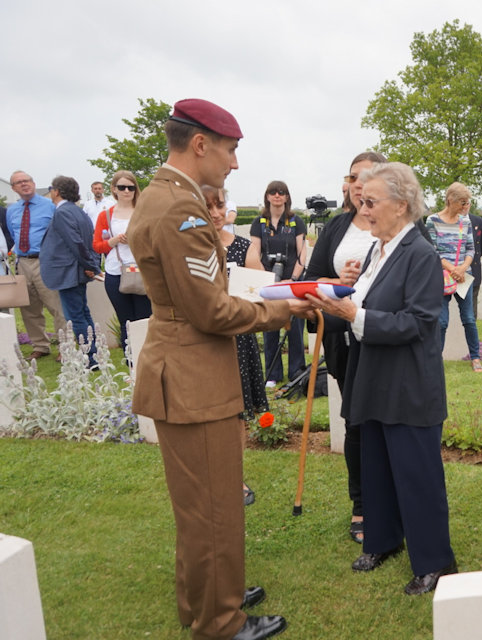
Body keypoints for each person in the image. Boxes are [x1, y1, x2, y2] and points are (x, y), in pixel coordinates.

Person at [128, 98, 310, 640]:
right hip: (193, 376)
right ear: (201, 144)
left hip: (182, 367)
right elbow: (211, 310)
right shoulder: (181, 211)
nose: (233, 164)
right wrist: (285, 309)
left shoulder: (166, 197)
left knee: (200, 503)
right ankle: (221, 622)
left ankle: (205, 597)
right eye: (230, 150)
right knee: (214, 506)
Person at [306, 161, 457, 596]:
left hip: (408, 384)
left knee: (416, 473)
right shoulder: (379, 249)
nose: (364, 209)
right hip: (372, 377)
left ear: (402, 204)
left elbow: (418, 322)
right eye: (361, 200)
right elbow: (369, 305)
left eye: (371, 202)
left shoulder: (421, 254)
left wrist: (356, 314)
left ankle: (435, 562)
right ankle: (384, 539)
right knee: (375, 465)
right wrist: (340, 296)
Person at [304, 150, 385, 545]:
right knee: (355, 423)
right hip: (345, 343)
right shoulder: (336, 228)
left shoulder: (403, 225)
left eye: (366, 177)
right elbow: (309, 278)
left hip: (387, 343)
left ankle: (392, 500)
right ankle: (362, 505)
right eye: (353, 177)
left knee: (385, 425)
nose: (357, 184)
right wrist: (336, 281)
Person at [204, 185, 267, 507]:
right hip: (202, 341)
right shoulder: (189, 248)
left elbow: (261, 292)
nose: (215, 212)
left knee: (238, 411)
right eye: (208, 205)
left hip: (237, 339)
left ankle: (235, 478)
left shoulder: (244, 247)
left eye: (220, 205)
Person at [248, 180, 306, 387]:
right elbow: (254, 251)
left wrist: (295, 277)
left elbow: (301, 253)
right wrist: (265, 278)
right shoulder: (259, 223)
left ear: (287, 197)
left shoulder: (295, 221)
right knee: (270, 326)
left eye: (281, 192)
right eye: (273, 192)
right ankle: (272, 374)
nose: (277, 196)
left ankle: (296, 371)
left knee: (296, 328)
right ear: (267, 196)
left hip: (292, 281)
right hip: (269, 281)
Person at [6, 171, 68, 360]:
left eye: (27, 180)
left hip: (46, 261)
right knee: (29, 308)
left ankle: (65, 347)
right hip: (23, 262)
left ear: (33, 183)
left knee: (56, 305)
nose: (24, 184)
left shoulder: (50, 206)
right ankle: (40, 345)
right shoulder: (12, 211)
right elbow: (12, 234)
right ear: (13, 188)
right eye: (19, 182)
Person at [40, 176, 101, 366]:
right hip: (77, 271)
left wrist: (91, 265)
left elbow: (76, 243)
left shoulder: (63, 212)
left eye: (51, 188)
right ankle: (94, 354)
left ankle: (89, 358)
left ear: (56, 191)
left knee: (75, 316)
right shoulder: (78, 211)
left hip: (69, 272)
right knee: (82, 312)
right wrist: (90, 265)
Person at [92, 171, 152, 354]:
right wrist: (115, 240)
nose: (127, 191)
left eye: (131, 187)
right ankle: (131, 362)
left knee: (144, 319)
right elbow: (97, 246)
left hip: (141, 269)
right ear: (114, 189)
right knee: (125, 320)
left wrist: (136, 238)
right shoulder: (106, 216)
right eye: (122, 187)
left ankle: (147, 360)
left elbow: (156, 239)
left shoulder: (144, 211)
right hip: (116, 271)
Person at [426, 182, 482, 371]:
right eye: (462, 202)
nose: (465, 207)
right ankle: (436, 361)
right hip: (441, 277)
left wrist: (463, 268)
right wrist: (452, 269)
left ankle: (475, 357)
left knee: (469, 319)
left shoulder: (465, 221)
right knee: (441, 322)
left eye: (467, 203)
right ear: (451, 200)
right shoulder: (432, 221)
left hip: (463, 277)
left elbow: (471, 249)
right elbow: (432, 251)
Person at [468, 211, 482, 318]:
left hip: (473, 267)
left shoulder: (479, 222)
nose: (464, 206)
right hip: (451, 269)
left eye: (466, 203)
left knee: (472, 303)